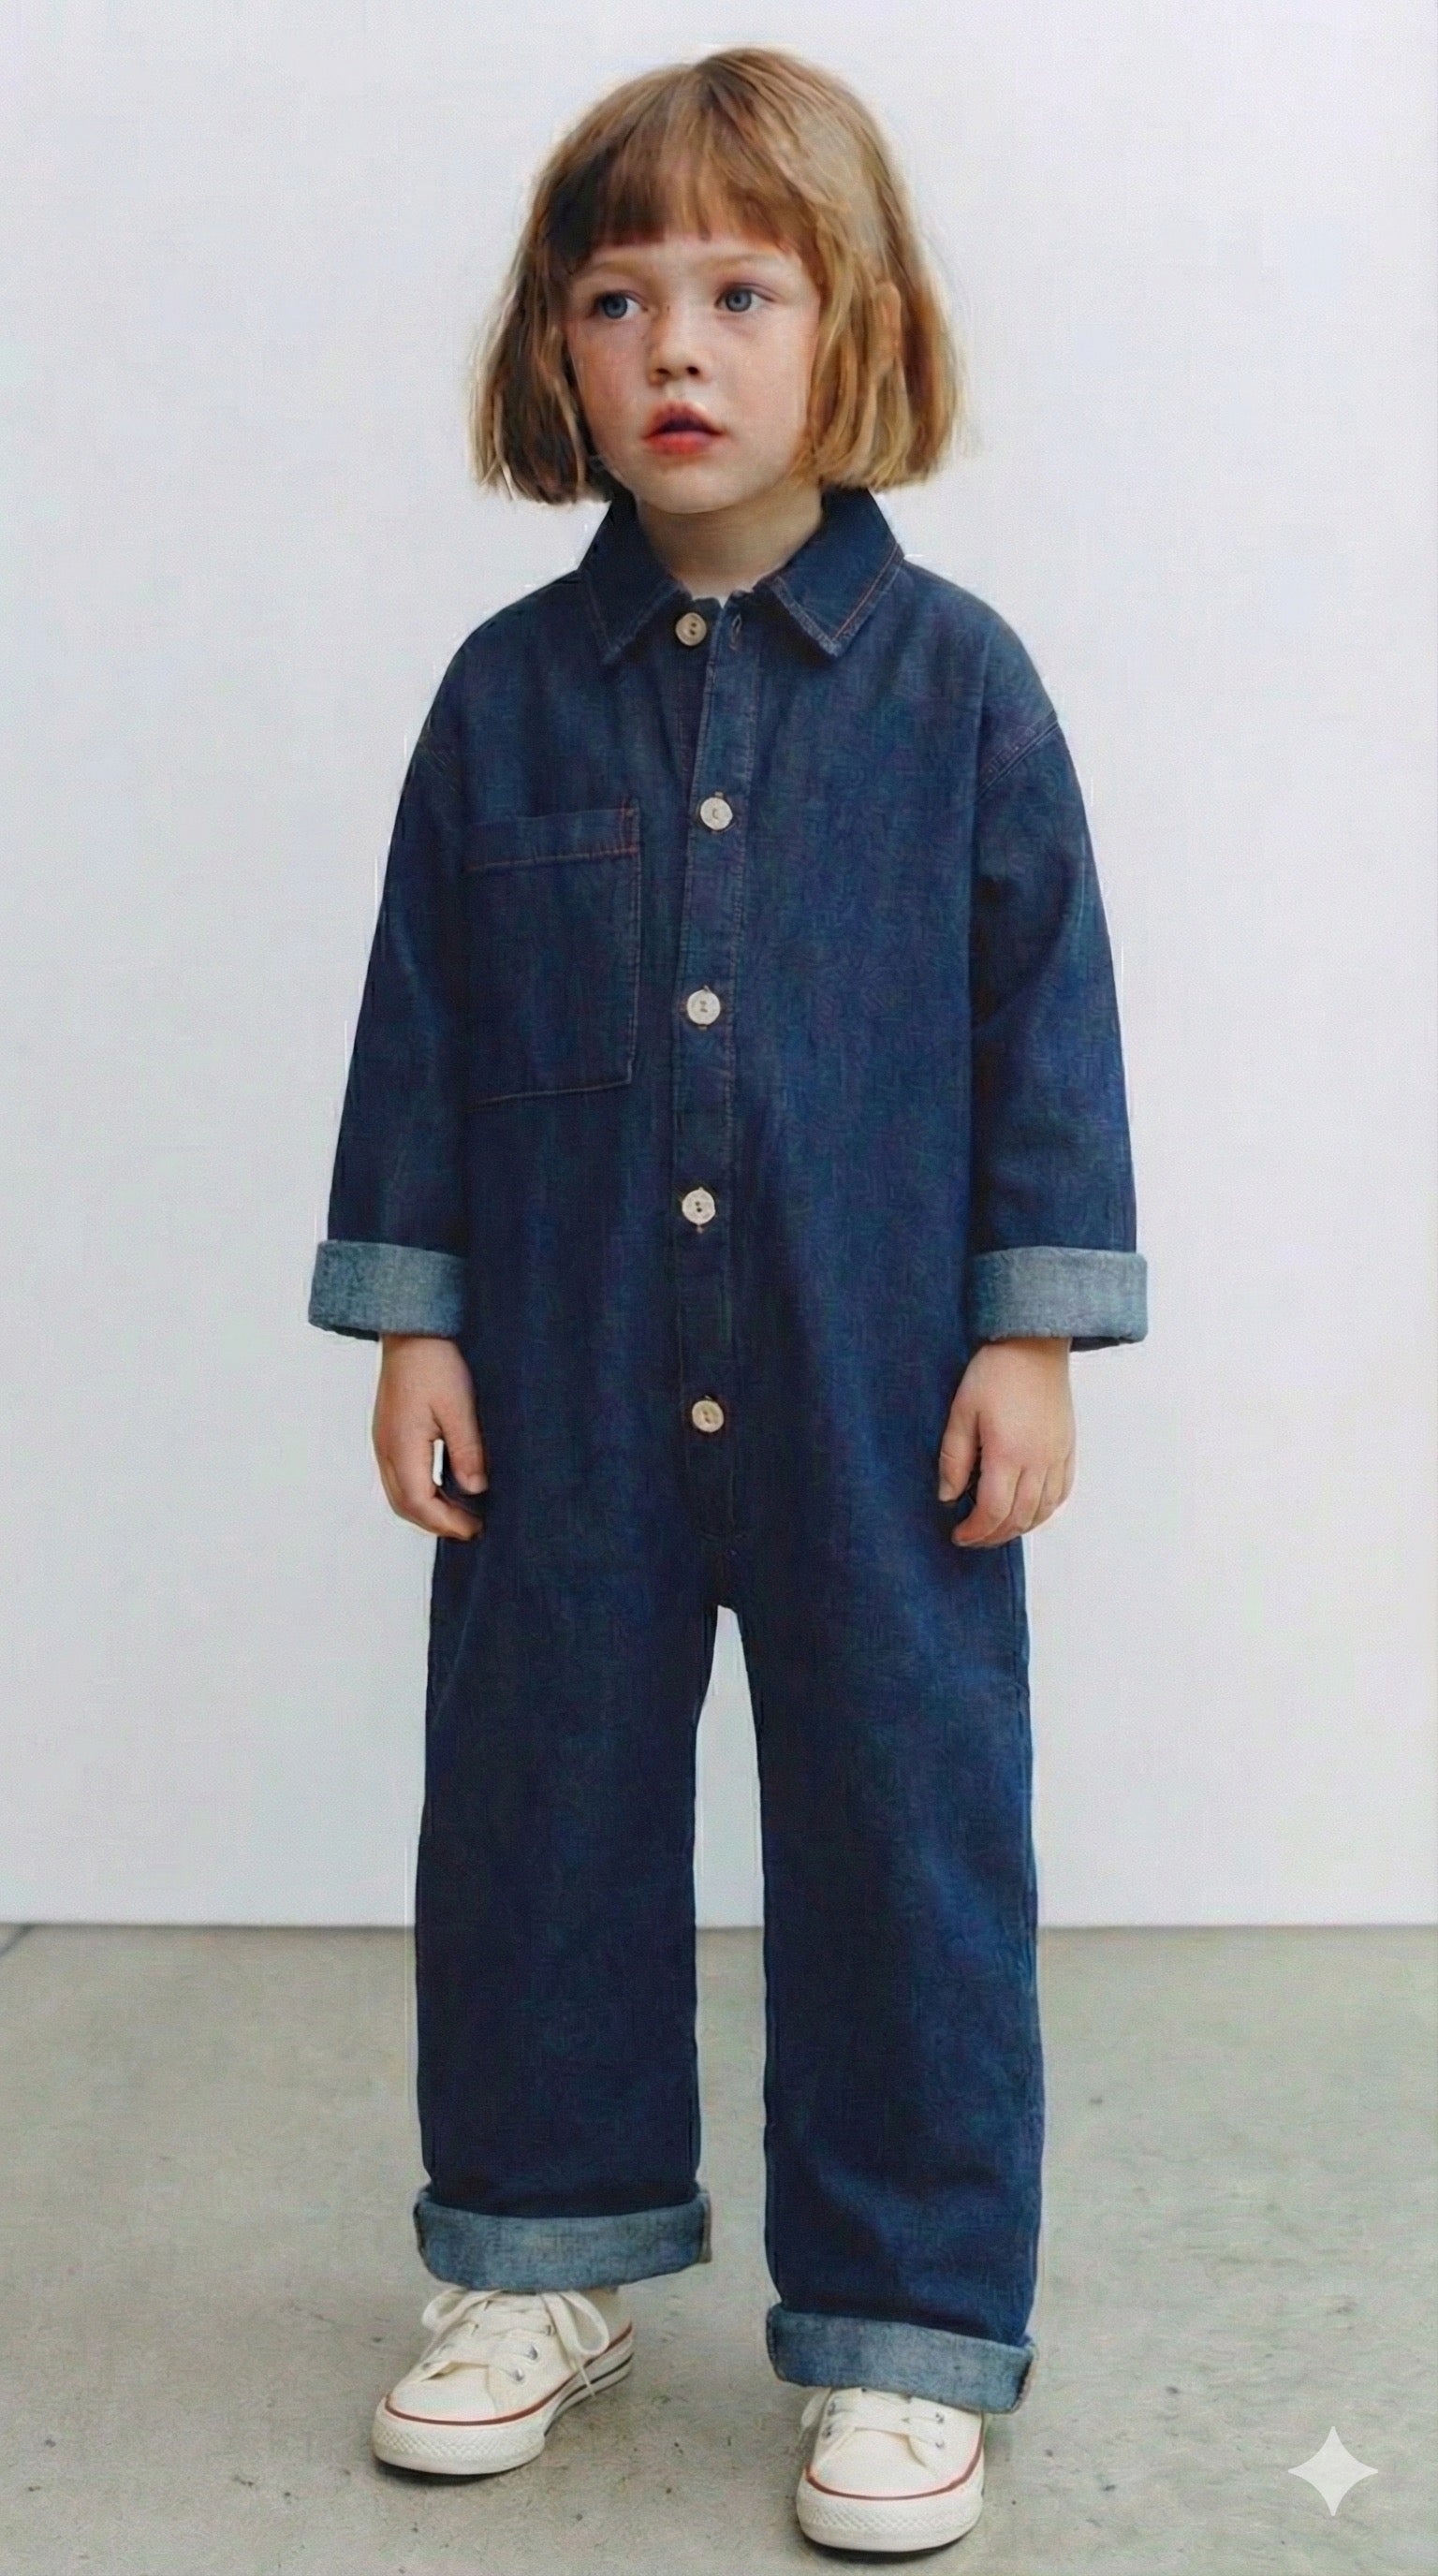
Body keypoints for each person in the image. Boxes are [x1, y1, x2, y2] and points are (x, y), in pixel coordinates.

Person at [308, 43, 1147, 2557]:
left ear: (851, 322)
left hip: (881, 1387)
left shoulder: (964, 688)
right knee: (537, 1809)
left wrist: (1027, 1331)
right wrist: (418, 1319)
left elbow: (1048, 1021)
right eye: (616, 296)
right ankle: (537, 2255)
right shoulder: (503, 699)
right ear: (554, 350)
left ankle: (904, 2322)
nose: (675, 343)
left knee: (909, 1830)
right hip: (561, 1380)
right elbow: (423, 1021)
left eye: (741, 291)